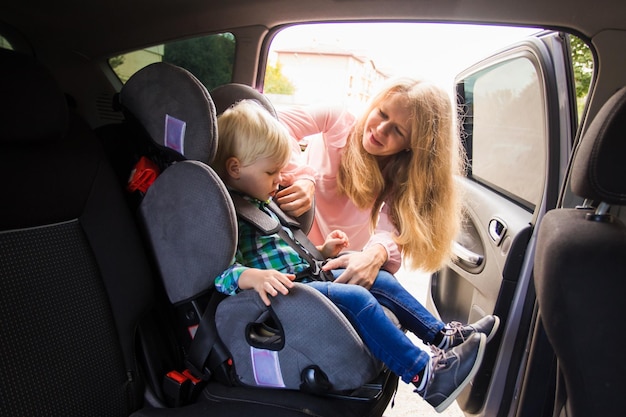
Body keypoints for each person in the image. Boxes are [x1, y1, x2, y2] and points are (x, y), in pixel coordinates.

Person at [211, 99, 499, 413]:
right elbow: (220, 274)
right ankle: (426, 376)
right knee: (358, 298)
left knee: (382, 280)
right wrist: (252, 276)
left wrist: (321, 252)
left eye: (398, 130)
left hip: (305, 276)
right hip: (278, 297)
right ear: (235, 168)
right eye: (272, 172)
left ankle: (443, 338)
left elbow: (281, 250)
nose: (281, 178)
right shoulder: (226, 213)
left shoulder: (261, 199)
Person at [276, 77, 464, 289]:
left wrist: (376, 255)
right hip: (289, 250)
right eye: (382, 113)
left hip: (335, 260)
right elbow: (273, 123)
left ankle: (435, 325)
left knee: (383, 282)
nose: (381, 129)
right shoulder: (337, 120)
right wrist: (301, 175)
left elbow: (390, 230)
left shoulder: (400, 174)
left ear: (412, 145)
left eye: (398, 130)